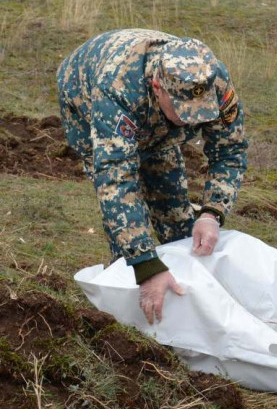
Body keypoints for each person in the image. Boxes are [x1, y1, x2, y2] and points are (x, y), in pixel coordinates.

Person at [58, 29, 248, 325]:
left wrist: (212, 212)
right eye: (184, 110)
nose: (192, 120)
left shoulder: (213, 80)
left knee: (176, 215)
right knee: (129, 239)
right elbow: (116, 180)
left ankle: (188, 304)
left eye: (200, 111)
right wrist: (145, 265)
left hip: (151, 116)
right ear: (158, 86)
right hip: (84, 94)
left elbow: (230, 151)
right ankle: (127, 308)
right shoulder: (118, 89)